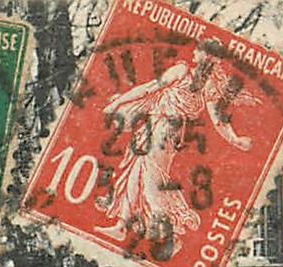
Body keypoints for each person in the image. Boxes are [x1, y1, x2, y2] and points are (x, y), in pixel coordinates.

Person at [92, 40, 255, 252]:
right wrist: (119, 102)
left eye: (199, 50)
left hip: (164, 131)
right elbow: (151, 89)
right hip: (155, 127)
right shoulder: (192, 76)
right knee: (135, 173)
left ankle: (172, 235)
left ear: (205, 55)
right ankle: (122, 225)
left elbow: (218, 119)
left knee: (151, 181)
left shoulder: (196, 78)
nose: (194, 52)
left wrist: (235, 139)